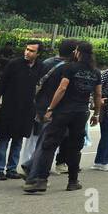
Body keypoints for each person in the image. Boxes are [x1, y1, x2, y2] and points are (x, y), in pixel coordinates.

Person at [24, 40, 102, 195]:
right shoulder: (95, 72)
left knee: (49, 144)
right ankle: (73, 181)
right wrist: (97, 113)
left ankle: (40, 179)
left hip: (63, 111)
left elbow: (62, 88)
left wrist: (50, 108)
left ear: (78, 52)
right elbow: (98, 94)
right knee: (75, 147)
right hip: (81, 113)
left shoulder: (69, 68)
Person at [20, 39, 77, 178]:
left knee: (35, 138)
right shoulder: (70, 67)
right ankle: (33, 166)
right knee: (48, 138)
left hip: (40, 104)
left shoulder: (46, 63)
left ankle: (32, 164)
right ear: (73, 51)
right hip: (55, 107)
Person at [0, 39, 41, 180]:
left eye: (31, 51)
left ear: (38, 53)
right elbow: (2, 84)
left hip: (26, 110)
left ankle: (12, 168)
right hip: (9, 107)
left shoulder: (39, 67)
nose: (27, 52)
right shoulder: (14, 64)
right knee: (4, 139)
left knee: (18, 140)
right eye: (27, 49)